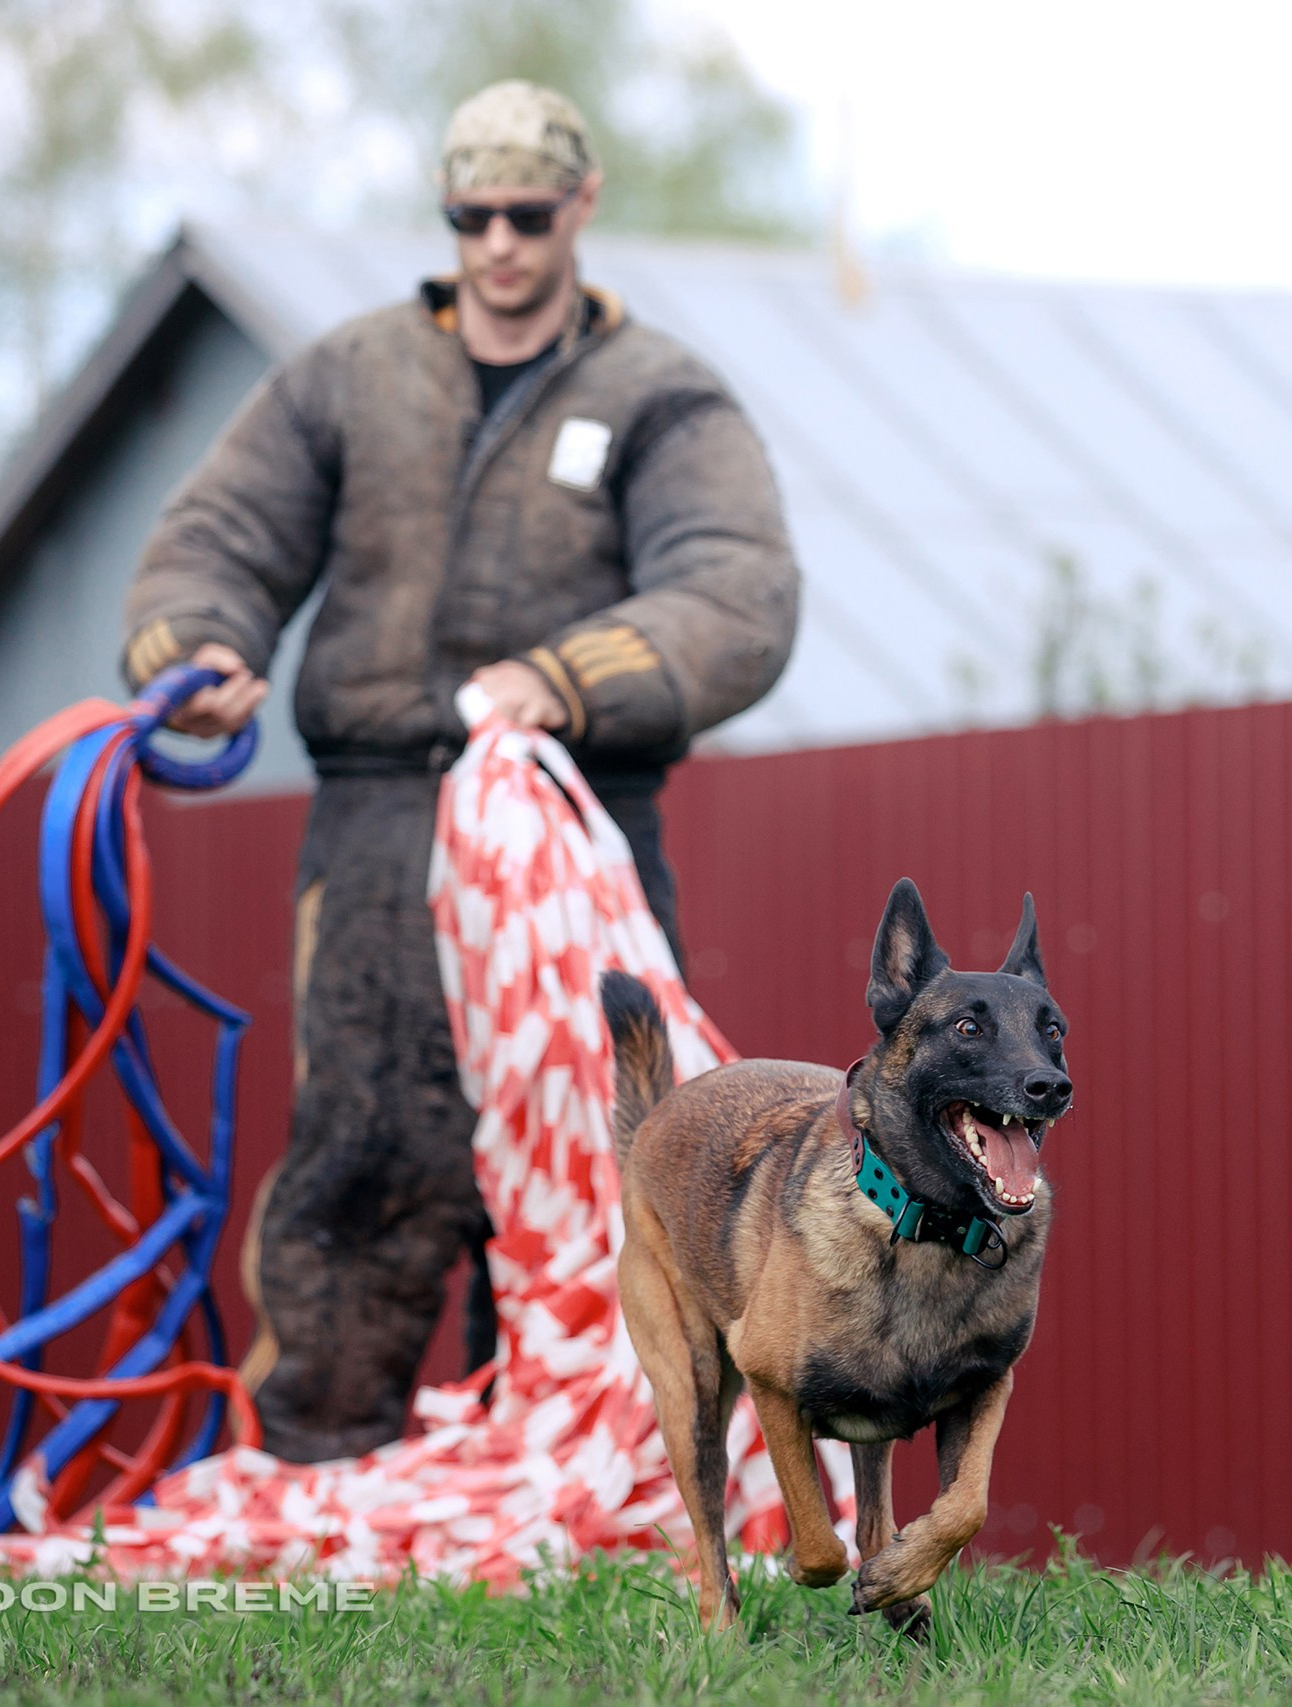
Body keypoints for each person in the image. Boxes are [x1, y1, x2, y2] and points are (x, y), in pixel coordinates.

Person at [118, 81, 799, 1463]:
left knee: (592, 1177)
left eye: (527, 217)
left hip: (575, 830)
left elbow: (736, 592)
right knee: (359, 1161)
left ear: (580, 207)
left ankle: (585, 1489)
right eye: (470, 215)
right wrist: (192, 650)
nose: (497, 243)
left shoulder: (659, 395)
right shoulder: (351, 375)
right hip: (376, 831)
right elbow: (221, 537)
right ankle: (319, 1479)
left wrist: (566, 679)